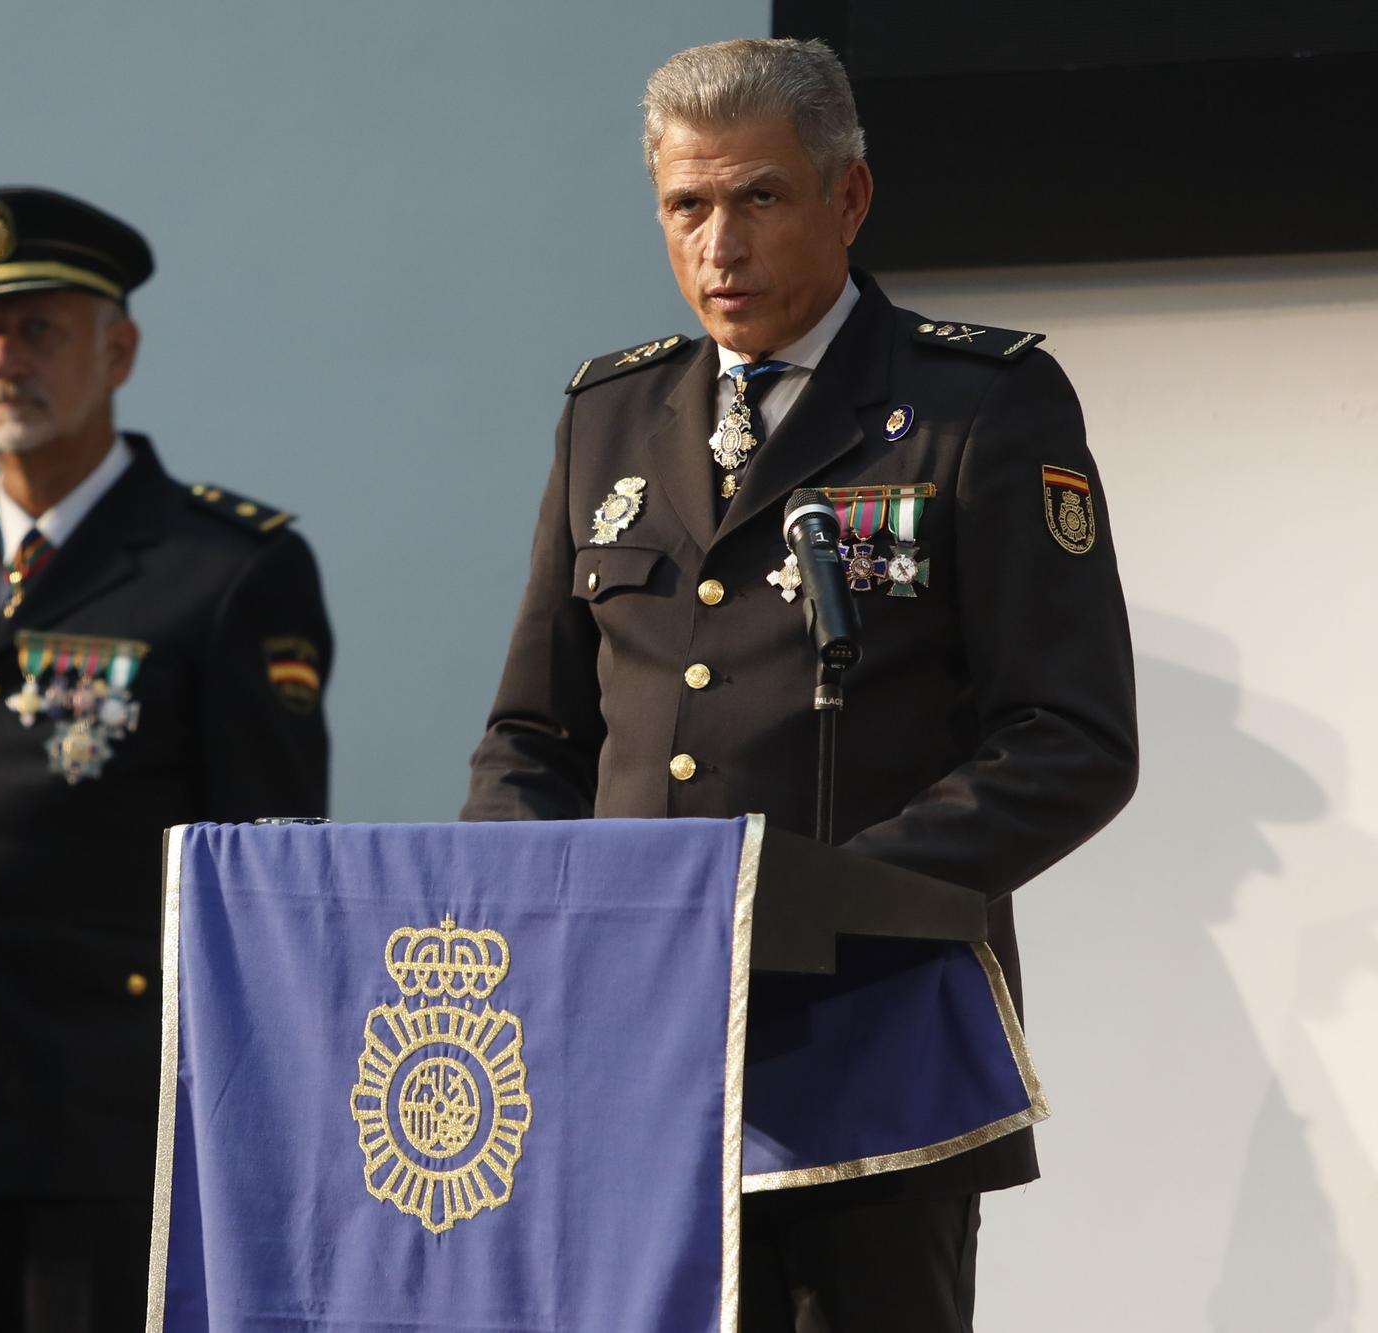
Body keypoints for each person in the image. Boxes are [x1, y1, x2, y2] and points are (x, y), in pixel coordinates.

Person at [461, 38, 1136, 1332]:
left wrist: (825, 901)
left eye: (759, 198)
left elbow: (1070, 738)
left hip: (872, 1047)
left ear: (849, 198)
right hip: (631, 1048)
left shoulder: (979, 407)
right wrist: (534, 926)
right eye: (687, 206)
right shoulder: (610, 414)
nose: (721, 245)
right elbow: (531, 738)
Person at [0, 186, 332, 1331]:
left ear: (116, 348)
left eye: (40, 328)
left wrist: (256, 1142)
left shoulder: (224, 567)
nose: (4, 359)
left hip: (101, 1131)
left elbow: (269, 882)